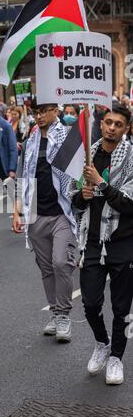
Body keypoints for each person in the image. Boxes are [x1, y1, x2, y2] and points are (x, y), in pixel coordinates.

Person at [70, 104, 133, 385]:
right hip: (93, 242)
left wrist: (101, 184)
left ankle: (117, 357)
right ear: (102, 124)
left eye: (118, 124)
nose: (111, 127)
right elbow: (74, 200)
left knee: (121, 307)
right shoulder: (87, 154)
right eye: (108, 122)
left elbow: (129, 204)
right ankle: (102, 343)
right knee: (90, 301)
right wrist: (83, 195)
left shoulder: (131, 158)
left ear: (126, 129)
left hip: (123, 242)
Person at [13, 102, 77, 342]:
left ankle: (63, 316)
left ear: (56, 111)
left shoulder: (67, 138)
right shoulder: (30, 142)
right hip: (36, 214)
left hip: (63, 211)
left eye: (43, 111)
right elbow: (22, 176)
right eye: (36, 112)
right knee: (46, 267)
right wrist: (18, 209)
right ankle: (54, 311)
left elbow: (78, 172)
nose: (38, 116)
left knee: (61, 263)